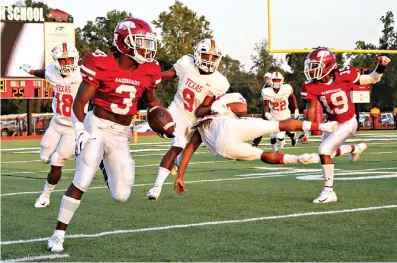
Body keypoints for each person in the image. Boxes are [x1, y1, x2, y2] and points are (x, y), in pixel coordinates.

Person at [47, 18, 164, 252]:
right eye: (139, 42)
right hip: (97, 125)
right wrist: (79, 129)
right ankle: (58, 234)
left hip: (122, 133)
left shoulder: (150, 70)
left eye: (147, 43)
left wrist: (161, 118)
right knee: (82, 179)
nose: (146, 48)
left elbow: (151, 101)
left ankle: (103, 162)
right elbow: (79, 102)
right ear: (123, 43)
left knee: (121, 195)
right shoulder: (100, 63)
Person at [173, 92, 339, 194]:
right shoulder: (219, 100)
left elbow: (188, 150)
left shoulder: (198, 126)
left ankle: (297, 159)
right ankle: (321, 126)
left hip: (222, 148)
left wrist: (180, 176)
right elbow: (242, 109)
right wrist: (218, 104)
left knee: (261, 155)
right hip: (228, 127)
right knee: (277, 125)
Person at [301, 48, 391, 203]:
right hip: (332, 124)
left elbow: (372, 78)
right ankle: (355, 149)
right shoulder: (310, 86)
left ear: (328, 65)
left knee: (323, 151)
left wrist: (381, 66)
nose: (311, 69)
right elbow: (311, 109)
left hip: (349, 122)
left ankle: (329, 192)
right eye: (311, 65)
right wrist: (307, 130)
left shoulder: (344, 74)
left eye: (316, 65)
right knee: (327, 153)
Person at [146, 38, 230, 200]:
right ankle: (156, 187)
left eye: (213, 57)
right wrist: (153, 78)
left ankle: (177, 161)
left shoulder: (220, 81)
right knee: (178, 144)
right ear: (198, 54)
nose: (210, 60)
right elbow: (169, 74)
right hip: (177, 111)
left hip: (197, 117)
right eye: (206, 56)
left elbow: (204, 107)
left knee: (218, 146)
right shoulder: (187, 63)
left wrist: (211, 114)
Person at [20, 42, 83, 208]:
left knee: (57, 159)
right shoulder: (51, 71)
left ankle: (45, 196)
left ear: (75, 59)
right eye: (62, 60)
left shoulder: (83, 74)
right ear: (56, 61)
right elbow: (43, 73)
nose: (67, 63)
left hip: (73, 128)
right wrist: (30, 70)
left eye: (70, 59)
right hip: (56, 124)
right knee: (44, 158)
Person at [261, 72, 299, 152]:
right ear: (271, 80)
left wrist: (296, 109)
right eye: (274, 80)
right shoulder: (267, 91)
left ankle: (291, 135)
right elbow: (266, 104)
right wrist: (266, 112)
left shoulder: (286, 88)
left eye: (278, 80)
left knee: (280, 136)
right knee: (272, 135)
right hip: (274, 115)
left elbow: (293, 97)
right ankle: (275, 152)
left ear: (282, 81)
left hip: (284, 115)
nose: (276, 82)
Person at [252, 72, 272, 147]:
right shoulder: (265, 87)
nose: (266, 80)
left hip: (274, 110)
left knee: (280, 126)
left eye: (267, 78)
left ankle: (290, 134)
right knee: (262, 126)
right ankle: (255, 143)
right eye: (265, 78)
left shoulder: (273, 87)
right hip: (267, 109)